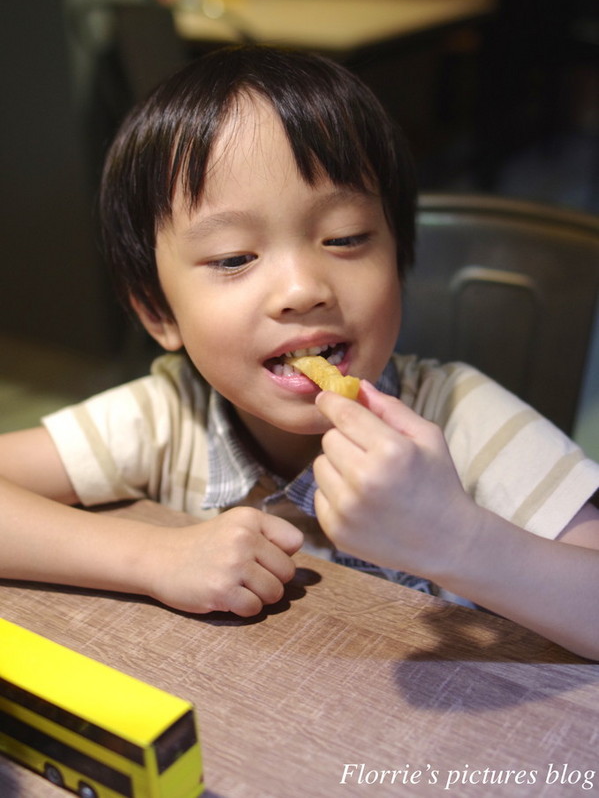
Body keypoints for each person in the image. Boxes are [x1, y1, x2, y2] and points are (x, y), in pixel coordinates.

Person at [0, 45, 598, 658]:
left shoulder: (459, 417)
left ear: (399, 260)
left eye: (344, 238)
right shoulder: (167, 418)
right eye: (234, 258)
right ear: (158, 311)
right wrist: (154, 556)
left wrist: (459, 539)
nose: (301, 290)